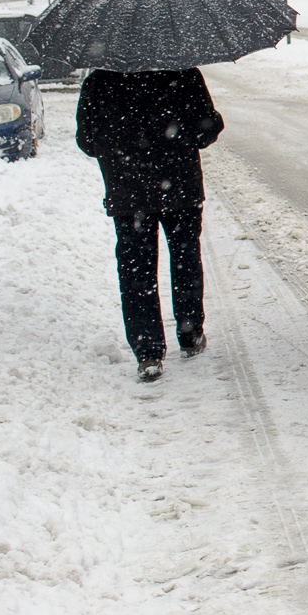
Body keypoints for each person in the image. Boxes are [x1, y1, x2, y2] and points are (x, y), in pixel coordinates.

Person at [75, 69, 223, 382]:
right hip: (180, 188)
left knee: (135, 270)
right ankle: (190, 332)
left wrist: (123, 147)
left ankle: (149, 352)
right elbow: (205, 132)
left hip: (129, 194)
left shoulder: (100, 81)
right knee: (185, 260)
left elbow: (87, 140)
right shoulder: (183, 73)